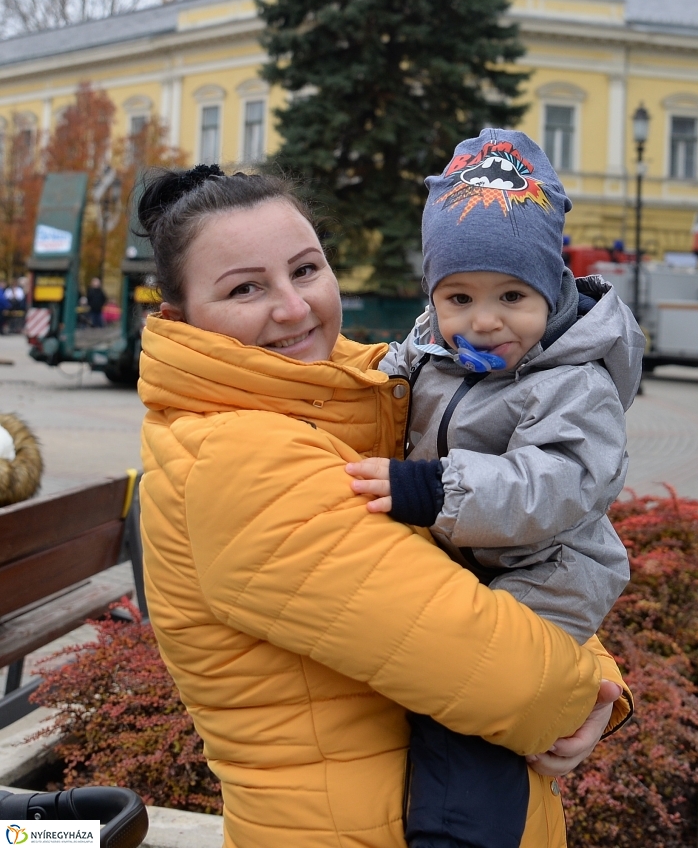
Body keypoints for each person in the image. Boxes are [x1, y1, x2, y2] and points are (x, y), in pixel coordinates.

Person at [136, 165, 632, 848]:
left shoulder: (365, 390)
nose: (292, 307)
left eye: (305, 270)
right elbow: (508, 681)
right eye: (245, 287)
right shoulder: (241, 461)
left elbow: (514, 563)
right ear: (179, 318)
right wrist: (592, 694)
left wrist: (598, 681)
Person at [346, 129, 645, 848]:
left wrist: (432, 490)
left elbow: (558, 484)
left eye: (512, 295)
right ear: (434, 296)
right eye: (459, 297)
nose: (484, 320)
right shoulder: (436, 355)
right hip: (475, 561)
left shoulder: (575, 382)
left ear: (553, 288)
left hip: (549, 571)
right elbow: (379, 385)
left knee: (469, 702)